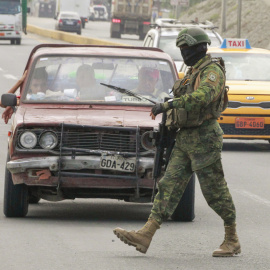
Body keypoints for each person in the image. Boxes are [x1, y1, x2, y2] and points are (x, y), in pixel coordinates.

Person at [113, 27, 241, 257]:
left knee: (214, 192)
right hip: (185, 137)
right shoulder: (192, 71)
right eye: (181, 49)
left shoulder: (212, 71)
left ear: (199, 48)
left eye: (186, 48)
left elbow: (204, 96)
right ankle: (146, 234)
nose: (183, 53)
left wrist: (169, 104)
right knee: (168, 186)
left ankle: (232, 239)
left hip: (205, 137)